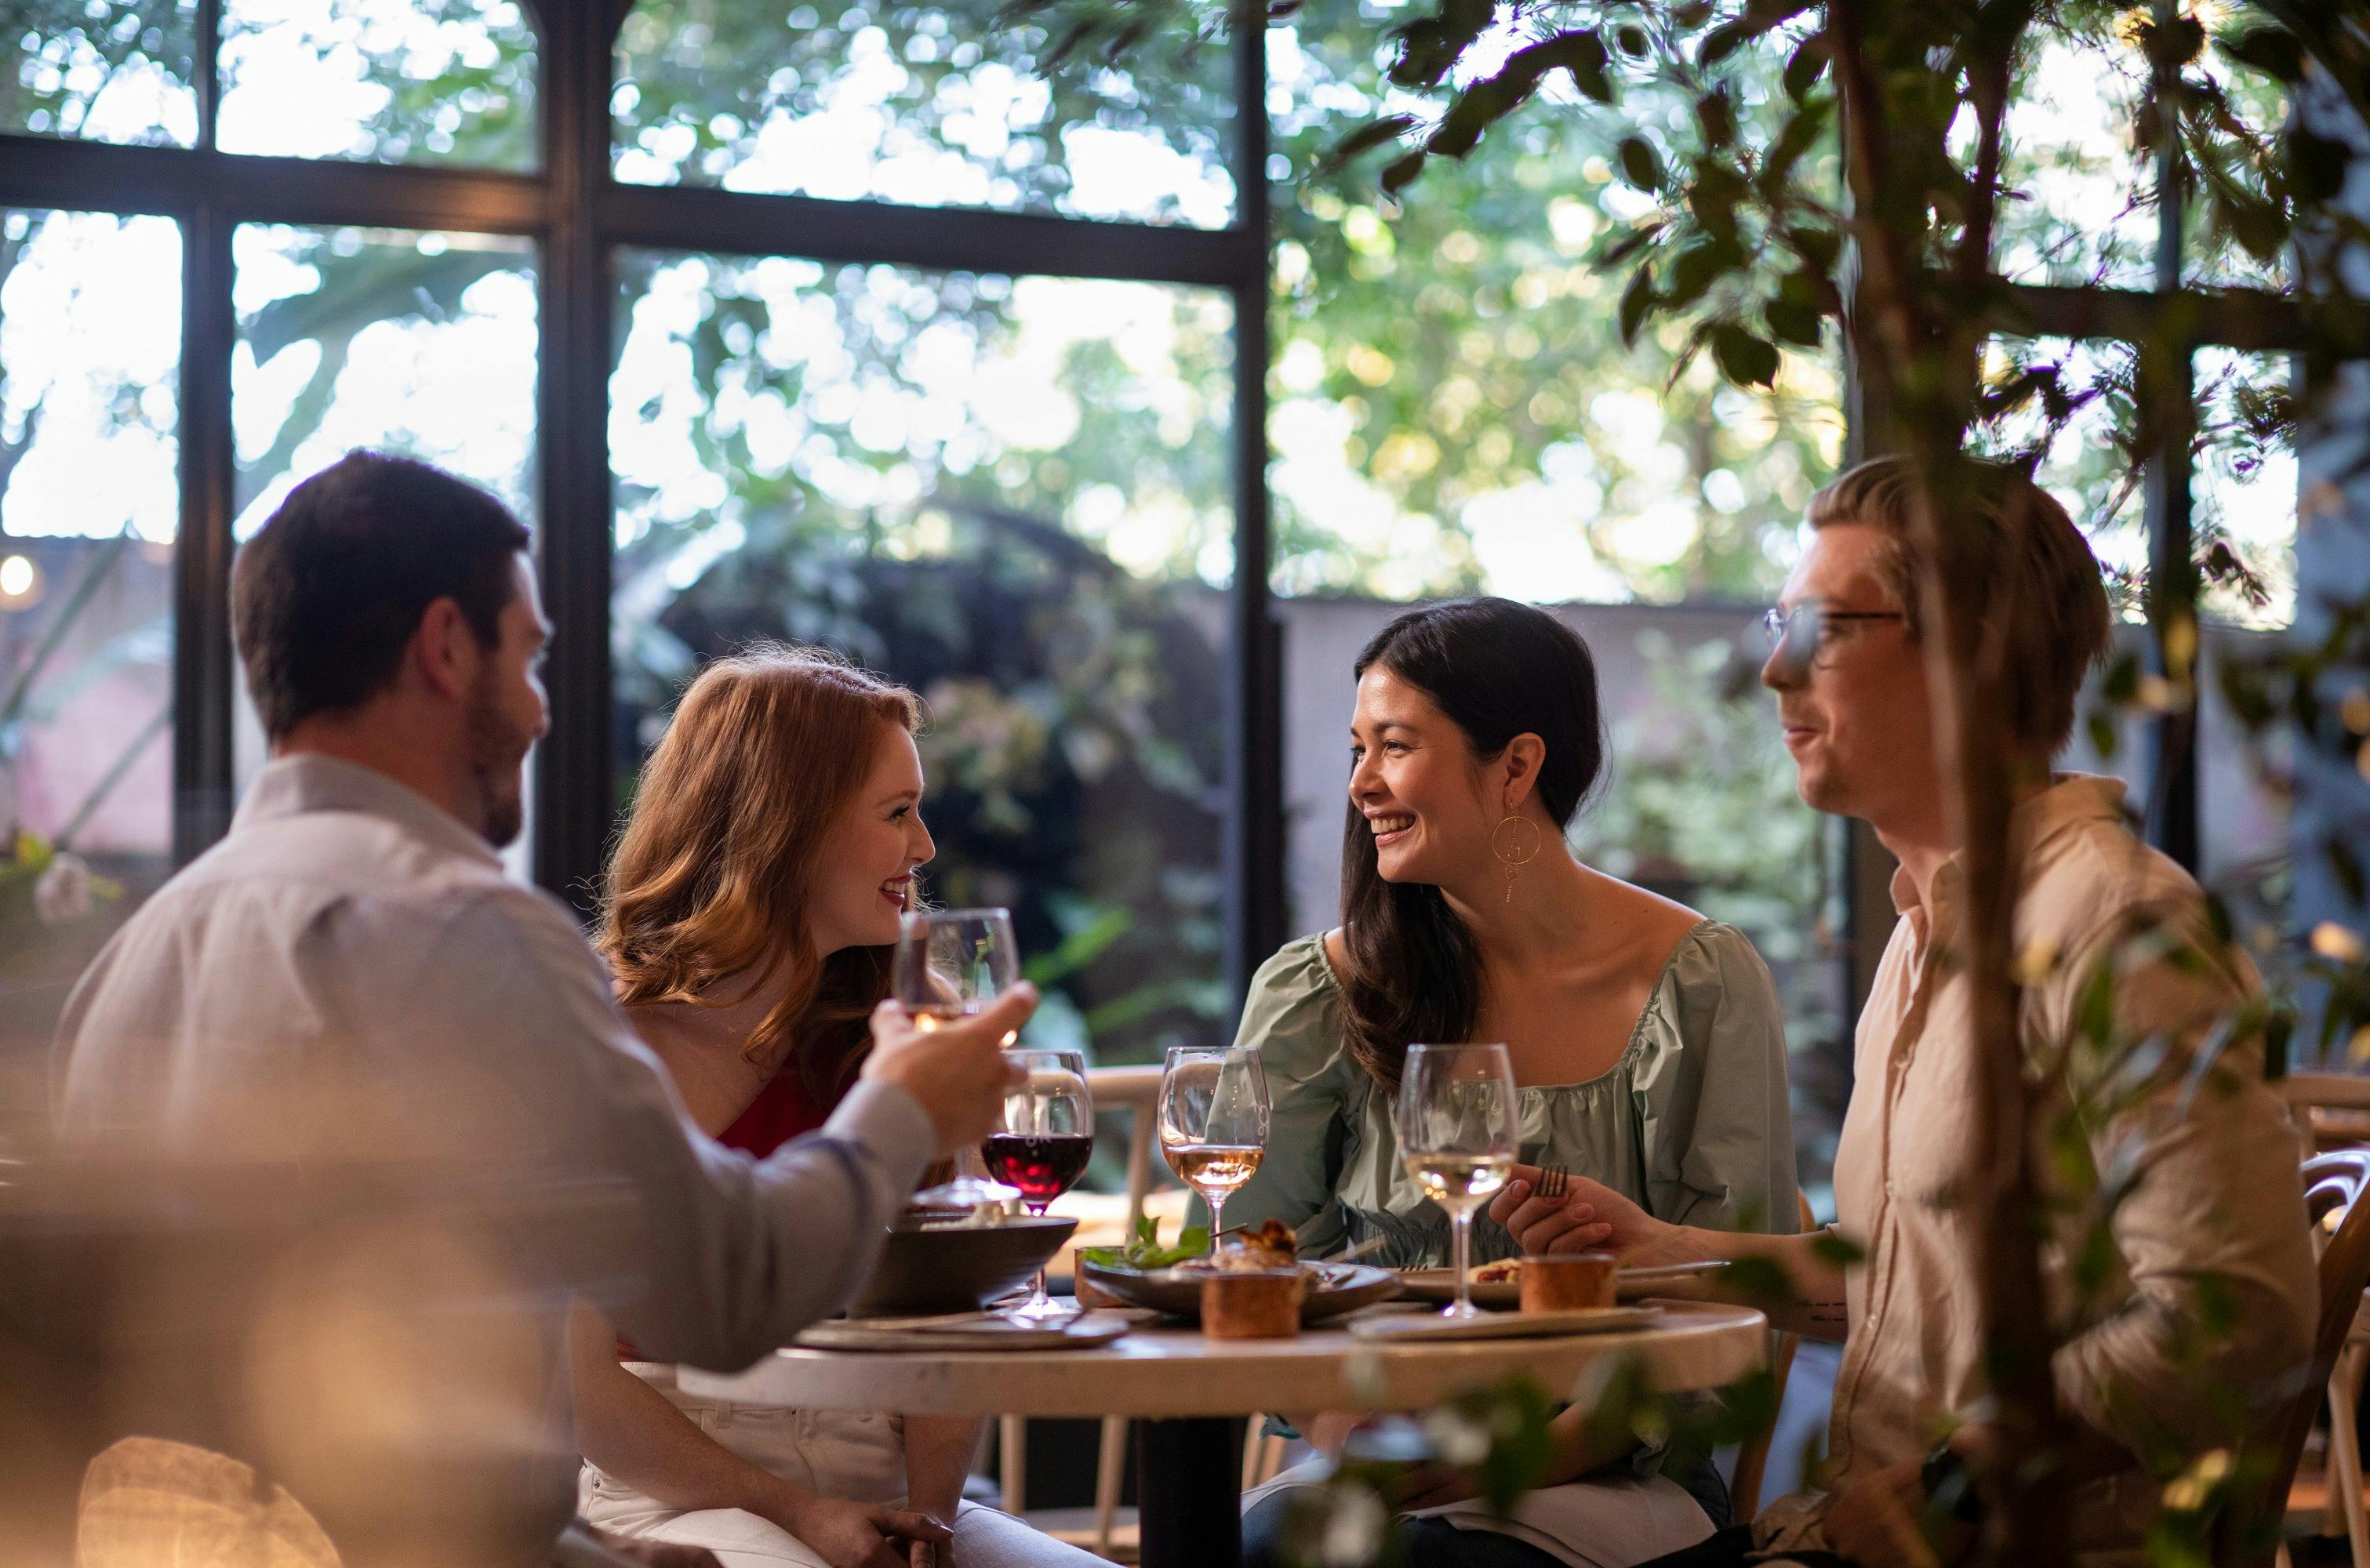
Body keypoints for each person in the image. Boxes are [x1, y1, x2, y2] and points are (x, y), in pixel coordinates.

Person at [49, 452, 1031, 1568]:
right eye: (527, 657)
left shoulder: (133, 961)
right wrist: (902, 1106)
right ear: (445, 648)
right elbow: (724, 1287)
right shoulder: (463, 934)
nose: (537, 709)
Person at [1494, 457, 2318, 1567]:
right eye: (1780, 625)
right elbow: (1897, 1282)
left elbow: (2241, 1316)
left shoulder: (2116, 925)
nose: (1774, 670)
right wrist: (1660, 1248)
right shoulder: (1923, 931)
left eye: (1822, 629)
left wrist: (1956, 1482)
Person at [1227, 597, 1801, 1568]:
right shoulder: (1318, 989)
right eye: (1358, 748)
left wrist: (1525, 1454)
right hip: (1380, 1453)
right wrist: (1350, 1430)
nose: (1361, 782)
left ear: (1517, 766)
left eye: (1395, 745)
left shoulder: (1698, 981)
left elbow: (1726, 1304)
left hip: (1618, 1465)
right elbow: (1253, 1263)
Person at [571, 646, 1103, 1568]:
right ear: (785, 824)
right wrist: (803, 1512)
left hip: (884, 1487)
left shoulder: (901, 1026)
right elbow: (576, 1383)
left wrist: (927, 1528)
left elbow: (947, 1325)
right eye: (897, 812)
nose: (924, 847)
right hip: (674, 1492)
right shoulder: (606, 1041)